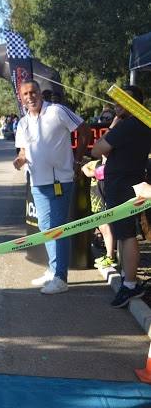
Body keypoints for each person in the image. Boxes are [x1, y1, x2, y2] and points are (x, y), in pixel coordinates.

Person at [13, 80, 89, 295]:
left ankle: (61, 278)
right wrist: (19, 160)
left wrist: (77, 160)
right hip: (37, 183)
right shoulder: (23, 123)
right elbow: (23, 151)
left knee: (57, 228)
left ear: (40, 93)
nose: (30, 96)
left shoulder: (57, 111)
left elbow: (85, 131)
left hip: (61, 181)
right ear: (21, 98)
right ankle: (53, 269)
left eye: (33, 92)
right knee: (46, 228)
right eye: (26, 94)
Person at [92, 85, 151, 307]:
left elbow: (97, 150)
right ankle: (129, 280)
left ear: (132, 103)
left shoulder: (127, 126)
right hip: (132, 181)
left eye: (120, 101)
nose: (116, 106)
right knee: (125, 234)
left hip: (122, 185)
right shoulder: (143, 124)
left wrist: (115, 122)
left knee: (126, 235)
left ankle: (129, 284)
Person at [81, 158, 115, 270]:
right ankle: (109, 255)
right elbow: (85, 167)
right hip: (97, 202)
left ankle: (110, 256)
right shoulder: (96, 163)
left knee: (106, 228)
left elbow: (94, 173)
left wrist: (89, 170)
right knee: (103, 228)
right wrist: (89, 168)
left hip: (105, 203)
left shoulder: (111, 166)